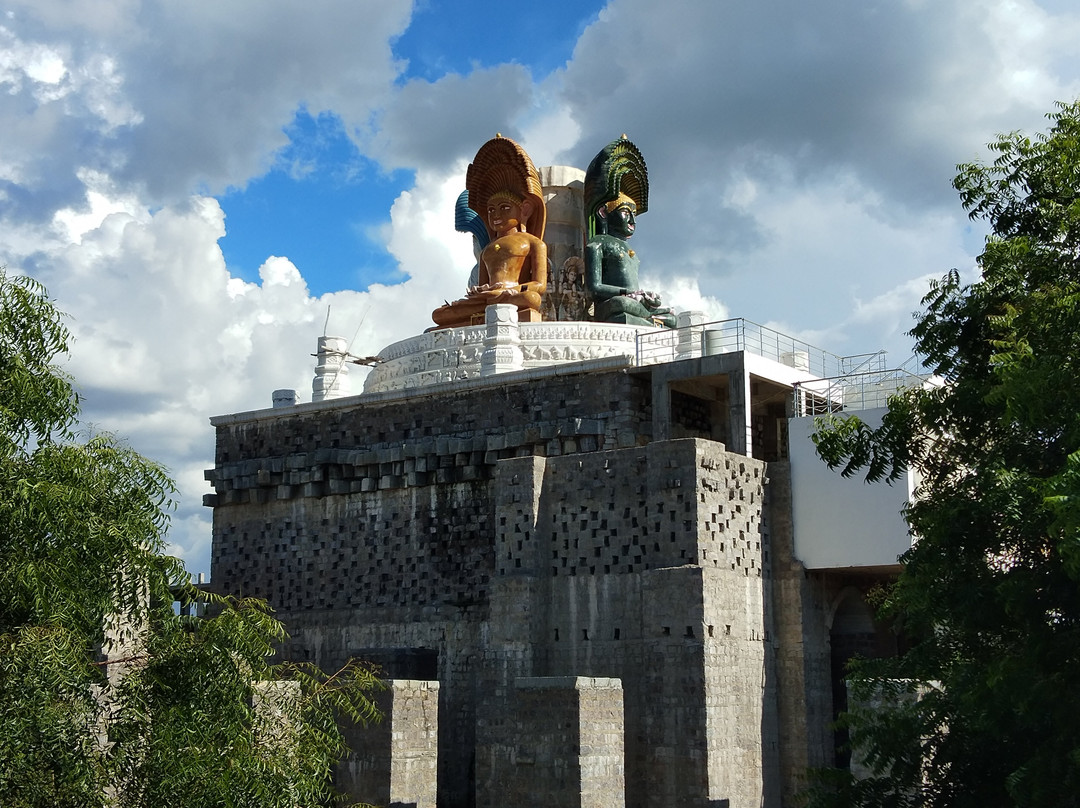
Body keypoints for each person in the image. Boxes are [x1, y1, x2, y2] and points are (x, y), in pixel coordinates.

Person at [431, 136, 548, 329]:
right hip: (488, 300)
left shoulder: (533, 242)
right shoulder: (488, 249)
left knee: (531, 298)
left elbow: (539, 286)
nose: (496, 215)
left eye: (504, 208)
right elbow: (484, 285)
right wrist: (481, 292)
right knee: (439, 314)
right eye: (491, 210)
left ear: (524, 210)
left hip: (513, 295)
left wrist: (510, 291)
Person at [583, 137, 675, 328]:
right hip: (614, 304)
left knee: (672, 317)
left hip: (636, 302)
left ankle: (649, 317)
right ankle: (649, 321)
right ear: (603, 212)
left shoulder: (628, 248)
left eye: (634, 214)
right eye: (625, 212)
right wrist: (626, 293)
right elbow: (594, 288)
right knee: (622, 304)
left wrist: (646, 297)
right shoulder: (598, 243)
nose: (632, 220)